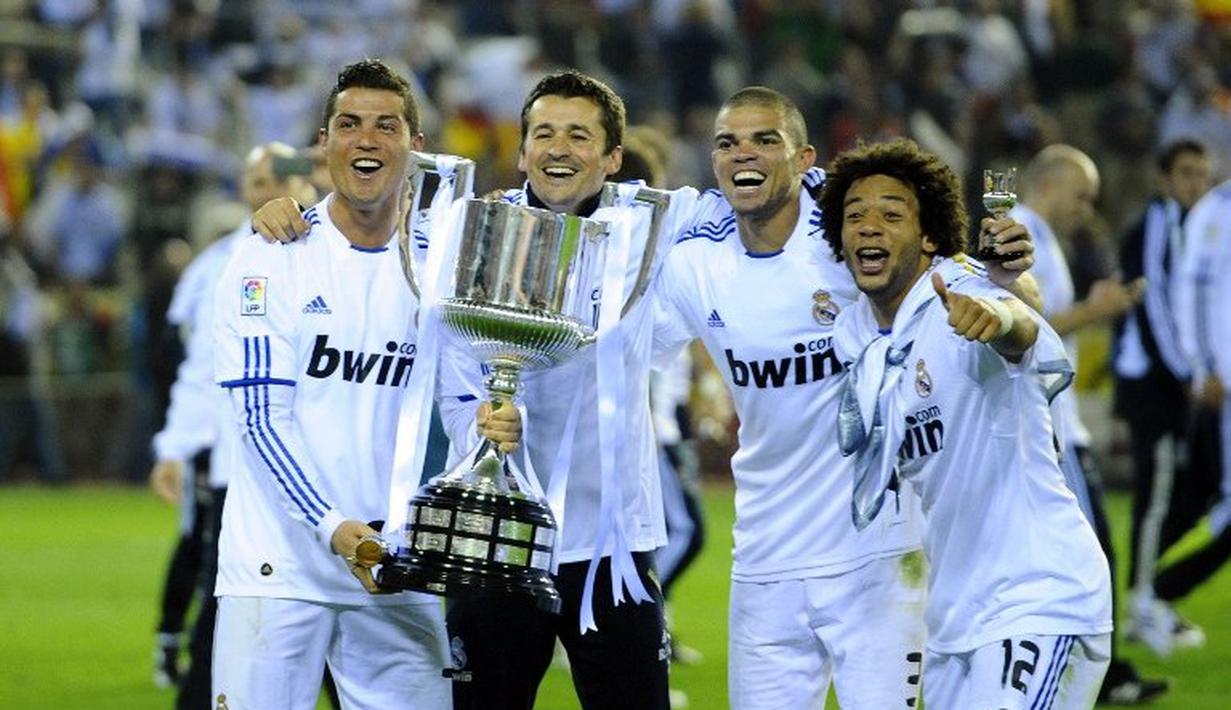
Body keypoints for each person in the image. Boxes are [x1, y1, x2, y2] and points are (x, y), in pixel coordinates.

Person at [251, 69, 684, 710]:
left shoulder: (650, 236)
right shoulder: (473, 233)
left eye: (579, 136)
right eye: (542, 133)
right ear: (521, 150)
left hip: (609, 546)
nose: (558, 149)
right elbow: (449, 375)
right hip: (491, 535)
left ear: (614, 157)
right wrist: (291, 213)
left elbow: (751, 211)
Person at [650, 89, 1036, 709]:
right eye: (727, 142)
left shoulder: (856, 228)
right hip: (764, 559)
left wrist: (1011, 281)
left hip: (882, 557)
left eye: (764, 140)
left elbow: (988, 292)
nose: (743, 153)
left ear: (804, 158)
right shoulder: (693, 262)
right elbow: (621, 349)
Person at [820, 137, 1112, 709]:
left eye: (891, 213)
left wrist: (1002, 315)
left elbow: (1019, 326)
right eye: (855, 216)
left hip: (1039, 598)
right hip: (954, 620)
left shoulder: (961, 295)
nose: (869, 226)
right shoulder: (859, 339)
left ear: (930, 236)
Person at [210, 59, 451, 710]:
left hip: (397, 566)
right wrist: (332, 526)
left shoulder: (445, 266)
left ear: (416, 147)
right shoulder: (272, 254)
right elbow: (260, 420)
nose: (365, 139)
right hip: (278, 567)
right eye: (348, 124)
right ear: (323, 144)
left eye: (386, 126)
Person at [148, 141, 319, 709]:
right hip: (241, 468)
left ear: (306, 181)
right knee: (227, 605)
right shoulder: (220, 265)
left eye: (279, 178)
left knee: (352, 618)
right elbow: (199, 371)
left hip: (331, 468)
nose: (266, 191)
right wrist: (175, 447)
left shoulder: (343, 246)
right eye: (255, 182)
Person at [1010, 144, 1160, 701]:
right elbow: (1024, 325)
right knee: (1085, 556)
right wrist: (1099, 309)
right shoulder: (1022, 230)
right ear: (1048, 186)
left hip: (1061, 421)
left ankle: (1103, 674)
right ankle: (1081, 675)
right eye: (1082, 195)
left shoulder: (1044, 236)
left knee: (1093, 552)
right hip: (1048, 428)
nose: (1088, 208)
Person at [1113, 139, 1212, 664]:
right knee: (1155, 498)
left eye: (1202, 174)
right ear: (1164, 178)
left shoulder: (1187, 226)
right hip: (1152, 380)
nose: (1196, 183)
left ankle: (1147, 595)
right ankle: (1143, 604)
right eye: (1186, 173)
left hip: (1169, 379)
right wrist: (1188, 373)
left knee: (1180, 493)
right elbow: (1155, 307)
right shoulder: (1158, 222)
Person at [1163, 175, 1231, 650]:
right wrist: (1201, 363)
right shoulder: (1218, 209)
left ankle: (1156, 586)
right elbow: (1193, 291)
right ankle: (1156, 586)